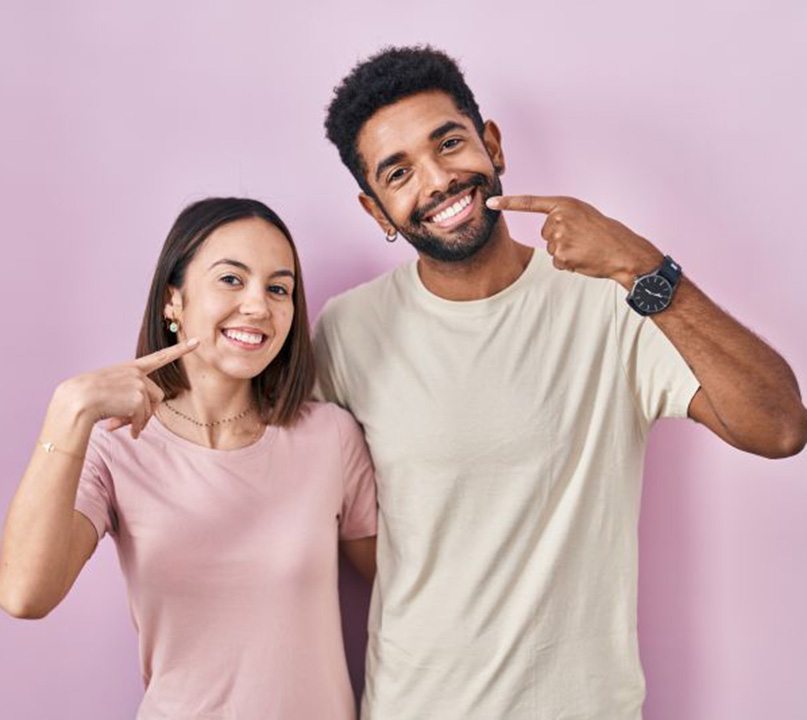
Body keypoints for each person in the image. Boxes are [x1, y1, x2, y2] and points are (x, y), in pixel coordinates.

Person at [314, 46, 807, 719]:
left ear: (491, 144)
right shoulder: (347, 330)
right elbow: (330, 518)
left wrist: (641, 267)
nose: (437, 180)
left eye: (449, 142)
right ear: (376, 211)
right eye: (399, 172)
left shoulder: (611, 295)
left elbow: (778, 426)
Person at [0, 197, 377, 720]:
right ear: (173, 300)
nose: (258, 306)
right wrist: (69, 409)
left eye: (278, 288)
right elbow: (24, 594)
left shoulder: (330, 437)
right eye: (231, 280)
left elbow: (402, 591)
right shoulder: (115, 445)